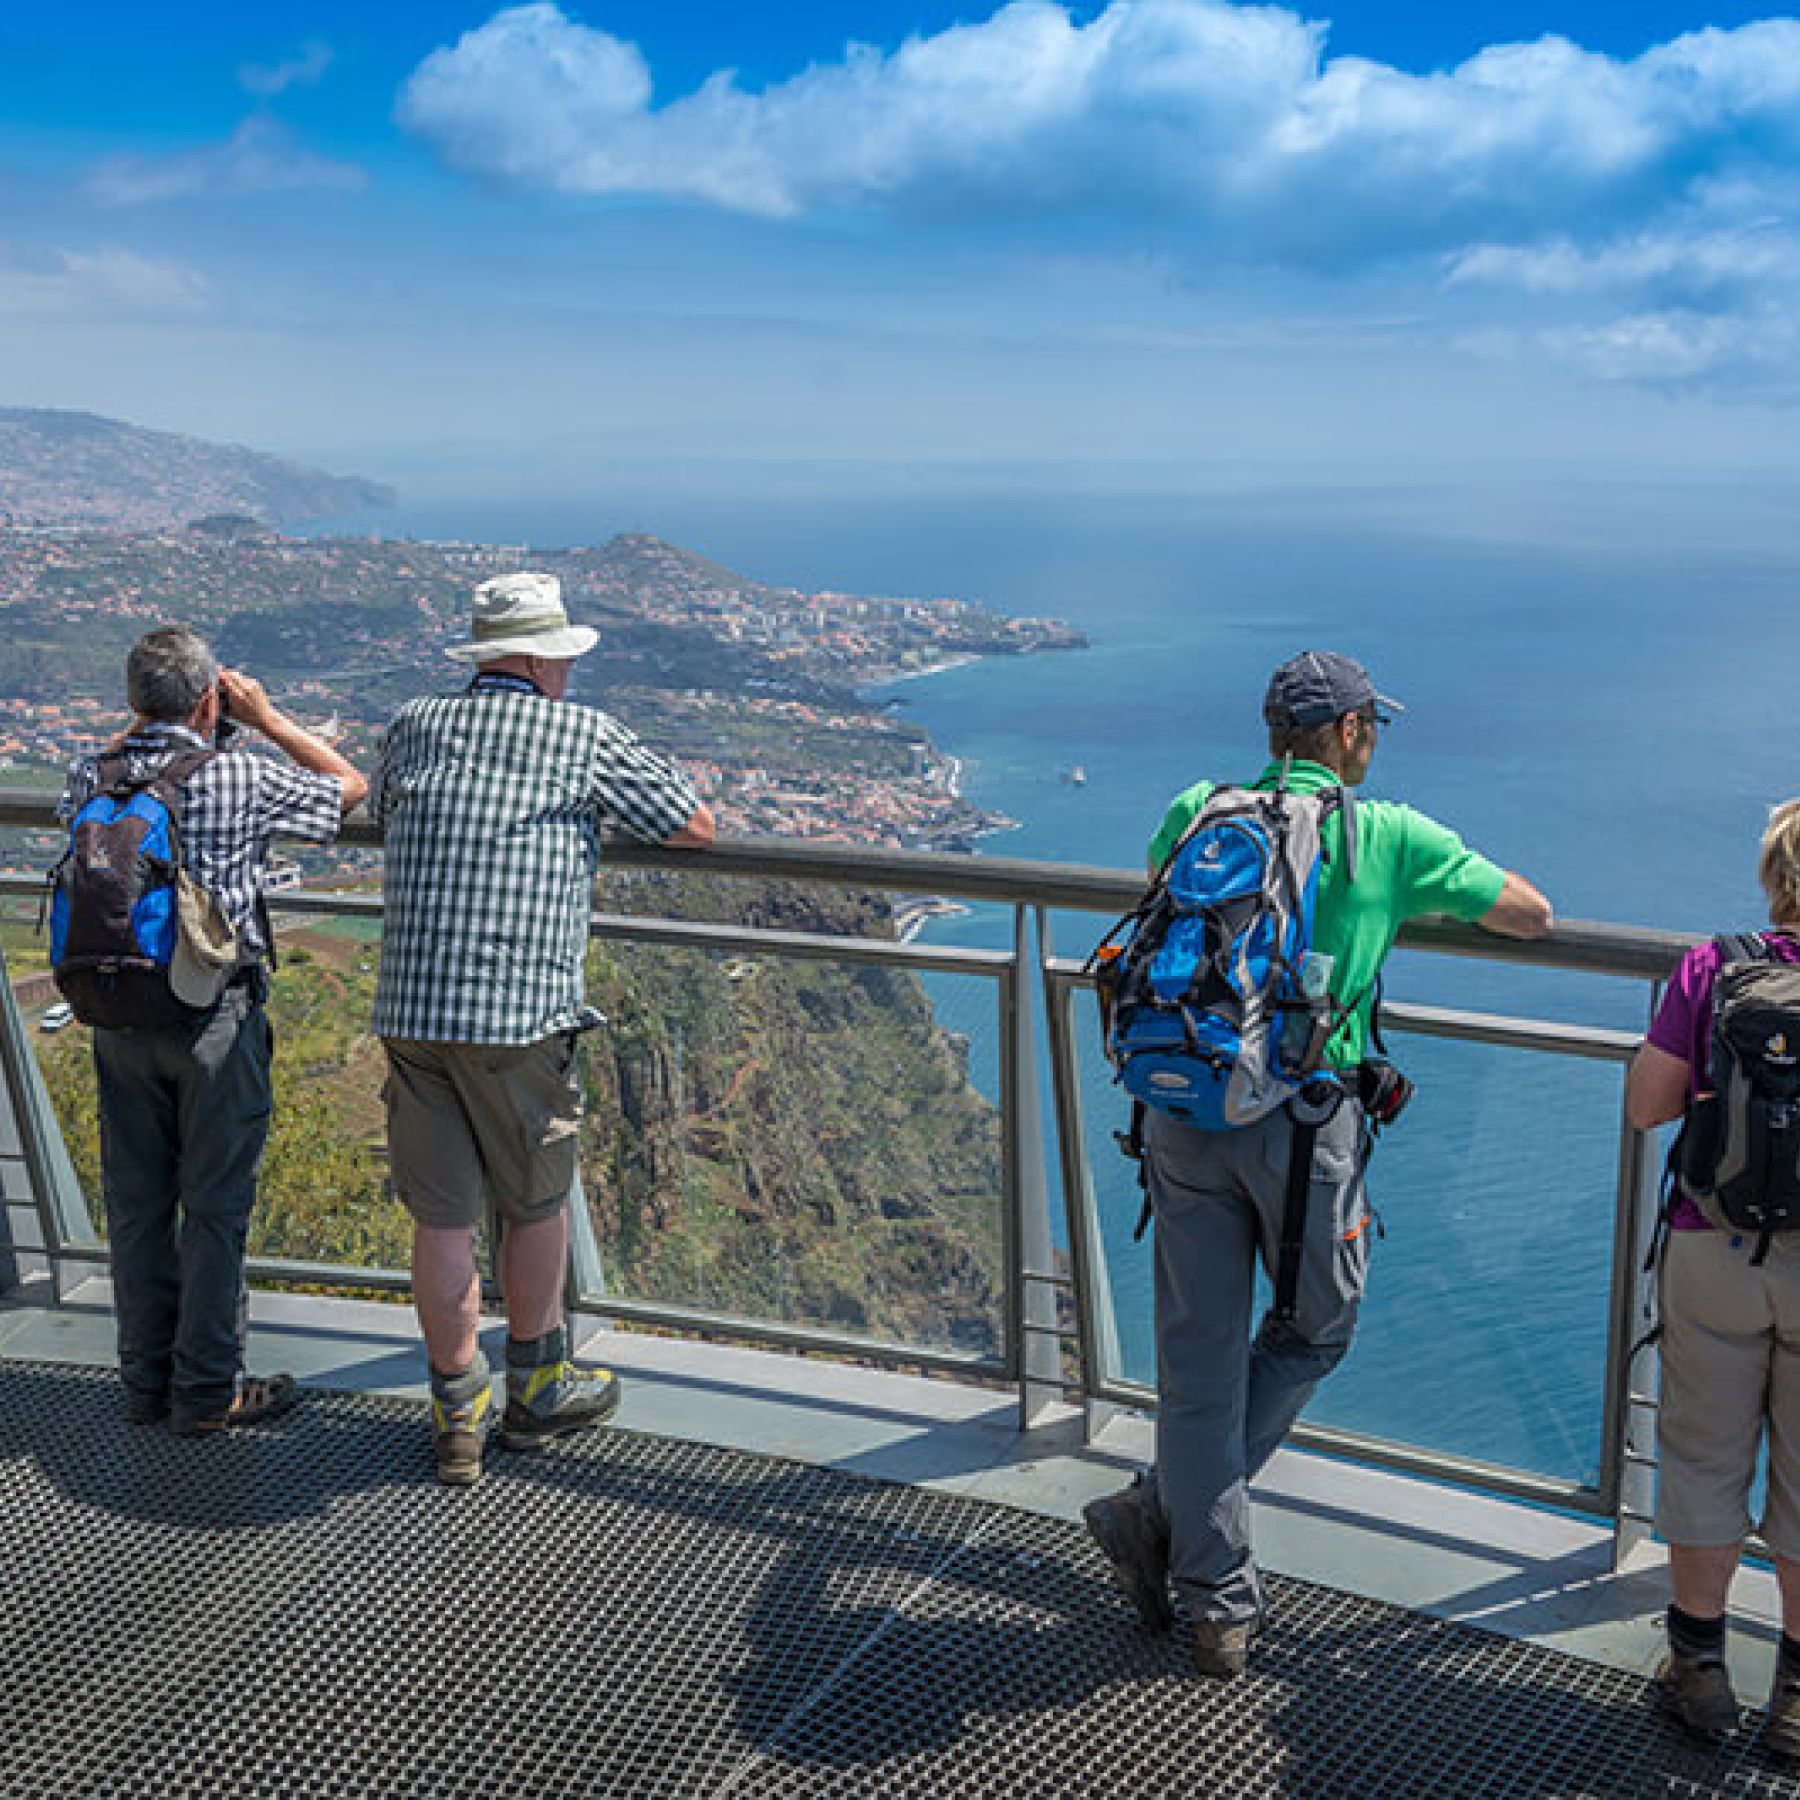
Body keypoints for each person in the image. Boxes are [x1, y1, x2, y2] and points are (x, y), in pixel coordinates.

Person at [1082, 649, 1553, 1679]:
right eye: (1370, 727)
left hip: (1178, 1108)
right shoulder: (1382, 834)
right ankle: (1166, 1518)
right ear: (1348, 736)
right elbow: (1530, 913)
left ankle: (1216, 1606)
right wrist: (1389, 908)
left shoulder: (1199, 809)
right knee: (1313, 1330)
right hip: (1303, 1126)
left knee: (1196, 1363)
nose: (1371, 741)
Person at [371, 570, 715, 1487]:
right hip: (517, 1015)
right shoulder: (581, 734)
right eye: (561, 659)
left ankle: (456, 1415)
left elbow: (381, 807)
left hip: (410, 1007)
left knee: (441, 1217)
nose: (567, 674)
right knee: (533, 1202)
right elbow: (694, 824)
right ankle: (538, 1388)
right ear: (538, 658)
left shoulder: (412, 724)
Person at [59, 626, 366, 1433]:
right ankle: (207, 1390)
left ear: (133, 701)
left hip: (116, 1015)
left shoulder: (90, 774)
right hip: (213, 1016)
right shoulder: (240, 770)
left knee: (137, 1205)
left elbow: (101, 786)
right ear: (209, 698)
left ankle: (142, 1386)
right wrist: (265, 718)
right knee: (216, 1206)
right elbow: (348, 788)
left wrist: (145, 725)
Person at [1625, 798, 1800, 1755]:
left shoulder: (1716, 966)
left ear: (1774, 876)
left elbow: (1648, 1107)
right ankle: (1798, 1704)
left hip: (1714, 1248)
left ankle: (1699, 1675)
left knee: (1701, 1461)